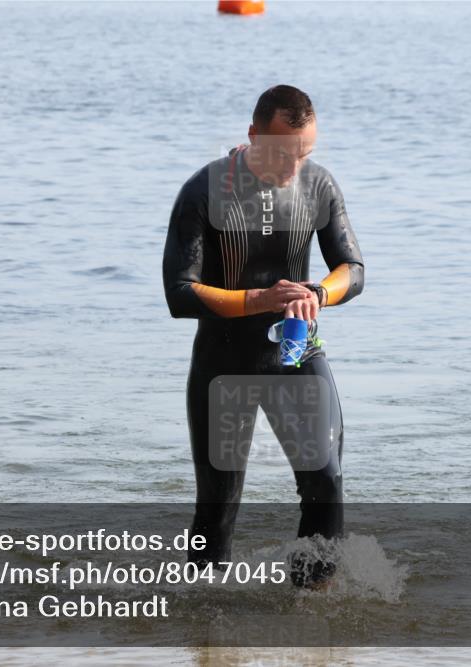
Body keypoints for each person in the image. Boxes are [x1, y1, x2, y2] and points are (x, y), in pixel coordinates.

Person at [162, 84, 364, 587]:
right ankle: (202, 620)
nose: (293, 168)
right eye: (281, 154)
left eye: (304, 154)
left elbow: (353, 269)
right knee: (218, 506)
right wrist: (258, 299)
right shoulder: (203, 192)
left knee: (326, 480)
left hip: (295, 351)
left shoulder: (318, 186)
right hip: (224, 362)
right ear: (253, 136)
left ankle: (312, 603)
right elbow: (179, 293)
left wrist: (318, 293)